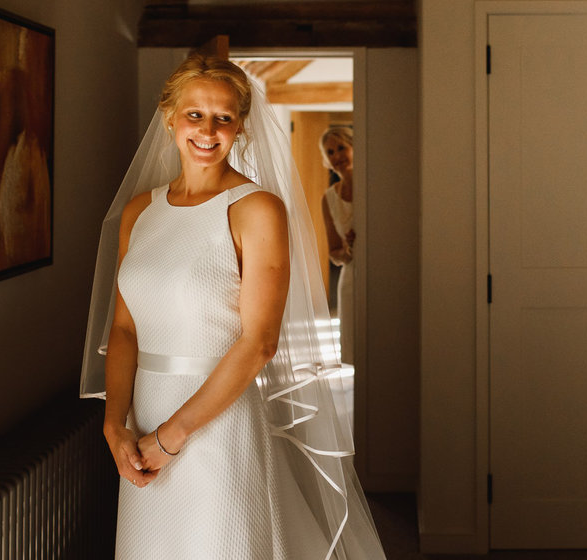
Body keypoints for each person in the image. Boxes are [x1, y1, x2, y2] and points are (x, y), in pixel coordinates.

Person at [79, 53, 385, 559]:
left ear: (240, 126)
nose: (208, 129)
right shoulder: (141, 211)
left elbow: (259, 342)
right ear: (169, 117)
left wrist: (172, 437)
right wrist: (116, 425)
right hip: (142, 420)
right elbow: (126, 329)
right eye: (195, 114)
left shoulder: (256, 208)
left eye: (224, 117)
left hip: (217, 423)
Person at [319, 127, 355, 363]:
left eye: (341, 147)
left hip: (384, 274)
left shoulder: (375, 184)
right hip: (351, 280)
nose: (337, 155)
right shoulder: (329, 198)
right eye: (330, 152)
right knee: (357, 351)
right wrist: (348, 251)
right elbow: (334, 254)